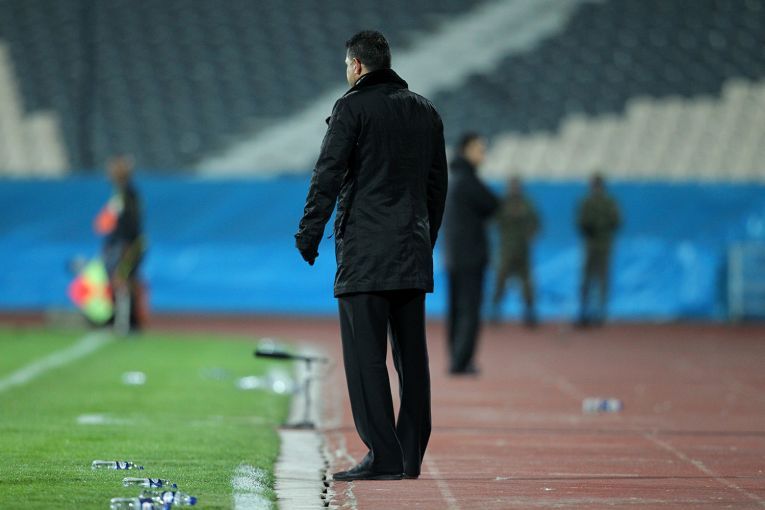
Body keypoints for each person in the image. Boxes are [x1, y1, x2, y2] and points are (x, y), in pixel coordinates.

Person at [294, 30, 447, 481]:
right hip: (411, 252)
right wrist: (424, 241)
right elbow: (437, 187)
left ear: (357, 65)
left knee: (367, 359)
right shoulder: (426, 111)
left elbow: (328, 173)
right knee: (412, 359)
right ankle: (410, 455)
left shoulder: (352, 107)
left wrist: (309, 233)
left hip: (365, 253)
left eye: (347, 65)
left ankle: (383, 455)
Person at [441, 133, 498, 375]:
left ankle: (456, 357)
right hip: (470, 256)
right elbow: (493, 203)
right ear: (466, 150)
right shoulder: (468, 179)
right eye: (479, 149)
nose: (483, 154)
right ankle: (462, 361)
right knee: (469, 309)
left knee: (456, 309)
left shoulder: (453, 178)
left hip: (454, 255)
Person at [95, 155, 146, 333]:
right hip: (125, 243)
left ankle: (125, 322)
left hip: (128, 244)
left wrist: (124, 245)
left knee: (122, 280)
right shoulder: (121, 193)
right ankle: (124, 320)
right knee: (122, 280)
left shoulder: (127, 194)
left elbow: (129, 224)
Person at [491, 177, 540, 327]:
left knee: (527, 283)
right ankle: (495, 311)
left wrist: (531, 234)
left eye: (516, 186)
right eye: (512, 186)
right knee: (500, 281)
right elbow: (494, 221)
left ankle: (529, 312)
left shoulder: (527, 204)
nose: (514, 189)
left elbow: (536, 223)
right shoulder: (502, 204)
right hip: (506, 249)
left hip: (522, 250)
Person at [576, 173, 620, 326]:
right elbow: (580, 222)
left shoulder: (609, 202)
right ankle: (585, 309)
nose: (596, 188)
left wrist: (602, 230)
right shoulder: (586, 202)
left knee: (602, 278)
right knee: (587, 278)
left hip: (603, 244)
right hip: (591, 244)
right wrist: (588, 229)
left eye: (597, 185)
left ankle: (600, 311)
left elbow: (616, 221)